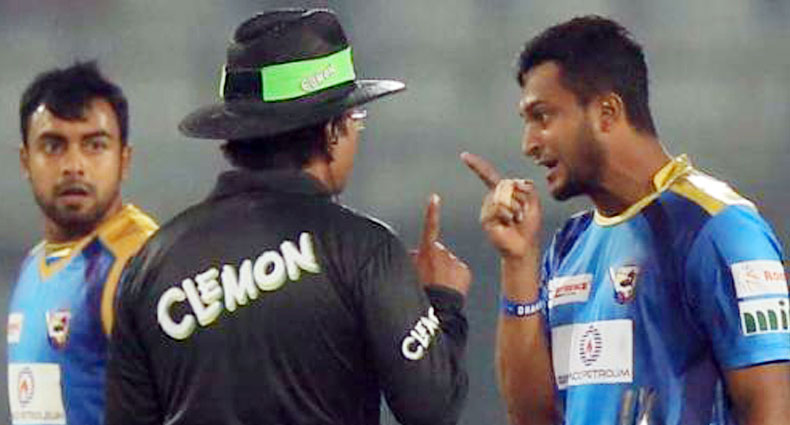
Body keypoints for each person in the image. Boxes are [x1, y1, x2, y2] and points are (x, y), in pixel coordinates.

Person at [106, 8, 470, 425]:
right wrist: (441, 301)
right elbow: (432, 409)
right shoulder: (363, 251)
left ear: (235, 135)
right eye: (355, 120)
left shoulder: (150, 267)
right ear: (332, 132)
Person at [462, 15, 790, 425]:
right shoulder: (569, 246)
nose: (528, 143)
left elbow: (770, 407)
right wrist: (518, 263)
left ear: (607, 112)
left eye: (542, 117)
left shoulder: (719, 228)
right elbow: (532, 417)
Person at [7, 62, 158, 425]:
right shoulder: (34, 264)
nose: (73, 165)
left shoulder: (138, 262)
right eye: (53, 145)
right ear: (25, 160)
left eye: (94, 145)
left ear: (124, 160)